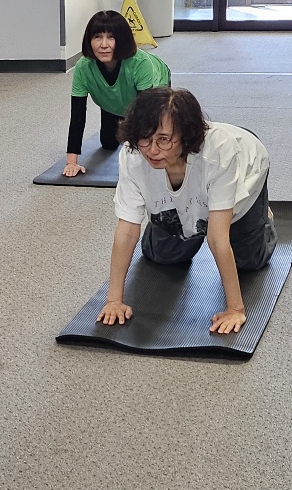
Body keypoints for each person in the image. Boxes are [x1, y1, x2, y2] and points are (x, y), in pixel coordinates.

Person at [98, 87, 276, 335]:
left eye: (163, 139)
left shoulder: (219, 153)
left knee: (249, 262)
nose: (152, 150)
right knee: (162, 256)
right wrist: (114, 300)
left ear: (186, 135)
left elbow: (217, 238)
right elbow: (127, 230)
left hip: (245, 166)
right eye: (145, 138)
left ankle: (262, 215)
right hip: (191, 195)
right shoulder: (134, 155)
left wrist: (235, 308)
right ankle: (177, 216)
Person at [61, 10, 170, 177]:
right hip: (112, 102)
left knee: (144, 140)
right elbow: (77, 115)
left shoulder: (141, 63)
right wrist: (71, 162)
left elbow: (146, 113)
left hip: (152, 92)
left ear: (122, 39)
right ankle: (115, 113)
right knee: (108, 143)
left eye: (111, 37)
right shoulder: (83, 67)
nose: (103, 44)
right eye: (97, 37)